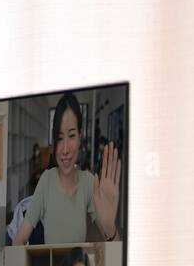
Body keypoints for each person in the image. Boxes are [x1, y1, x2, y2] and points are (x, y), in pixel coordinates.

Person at [12, 92, 121, 245]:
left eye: (71, 136)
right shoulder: (46, 180)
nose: (64, 150)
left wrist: (110, 228)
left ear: (80, 138)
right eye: (59, 138)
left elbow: (115, 252)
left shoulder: (89, 182)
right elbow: (19, 239)